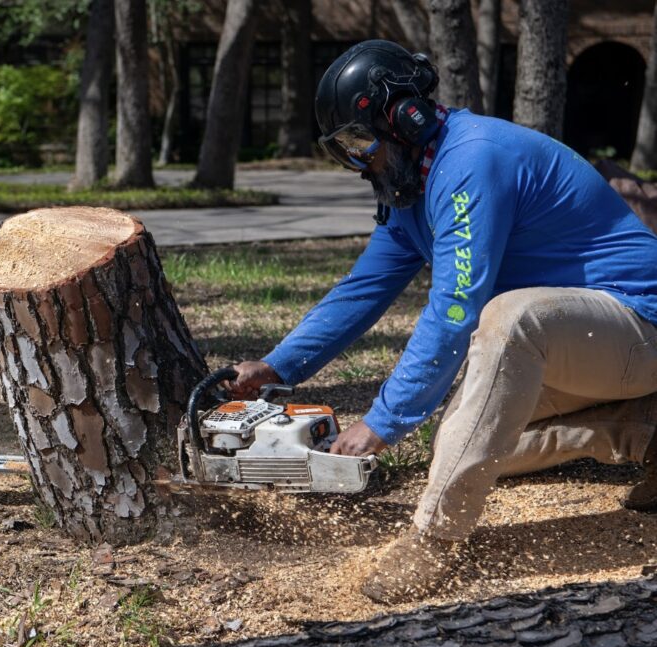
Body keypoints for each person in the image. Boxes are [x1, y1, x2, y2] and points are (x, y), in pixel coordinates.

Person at [228, 39, 657, 603]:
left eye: (361, 143)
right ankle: (645, 430)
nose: (360, 162)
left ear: (407, 117)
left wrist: (382, 422)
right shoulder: (413, 187)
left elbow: (456, 307)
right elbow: (361, 290)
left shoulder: (473, 160)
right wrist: (277, 366)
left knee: (509, 318)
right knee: (469, 443)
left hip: (637, 324)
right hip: (585, 345)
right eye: (344, 150)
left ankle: (433, 538)